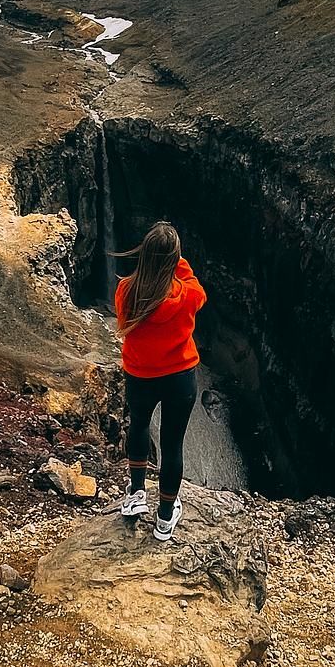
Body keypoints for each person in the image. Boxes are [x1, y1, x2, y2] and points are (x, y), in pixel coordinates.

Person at [113, 221, 206, 541]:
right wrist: (176, 259)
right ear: (173, 261)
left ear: (144, 255)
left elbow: (125, 319)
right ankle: (165, 517)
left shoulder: (126, 289)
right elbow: (193, 282)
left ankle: (136, 493)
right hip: (179, 377)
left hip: (140, 375)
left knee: (138, 426)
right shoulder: (189, 294)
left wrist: (160, 257)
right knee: (172, 444)